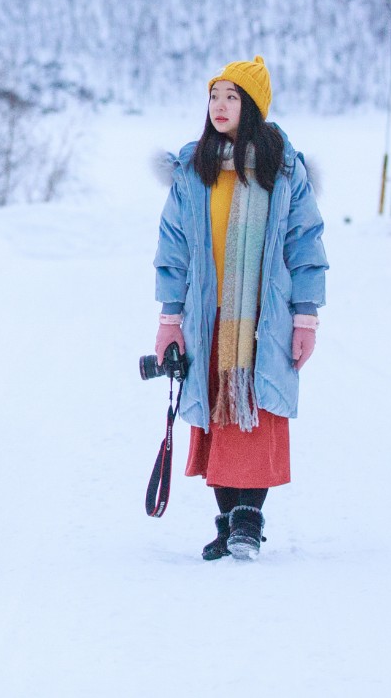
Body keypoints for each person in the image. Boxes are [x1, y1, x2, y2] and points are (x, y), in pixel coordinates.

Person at [152, 58, 327, 560]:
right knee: (216, 416)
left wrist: (305, 317)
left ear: (251, 106)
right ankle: (228, 521)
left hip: (263, 320)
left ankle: (250, 518)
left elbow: (305, 244)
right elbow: (174, 248)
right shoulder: (194, 169)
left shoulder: (284, 170)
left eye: (231, 97)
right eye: (214, 96)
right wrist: (170, 320)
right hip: (209, 320)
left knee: (256, 416)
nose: (220, 106)